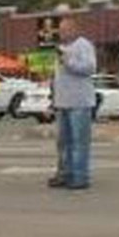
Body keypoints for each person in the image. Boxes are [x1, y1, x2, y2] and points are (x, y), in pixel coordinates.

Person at [47, 17, 97, 190]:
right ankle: (65, 174)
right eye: (60, 30)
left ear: (76, 30)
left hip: (79, 103)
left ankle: (80, 177)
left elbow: (90, 67)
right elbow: (58, 76)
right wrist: (53, 97)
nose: (62, 33)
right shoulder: (60, 49)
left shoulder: (84, 45)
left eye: (66, 30)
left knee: (79, 142)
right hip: (63, 102)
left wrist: (68, 62)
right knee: (63, 143)